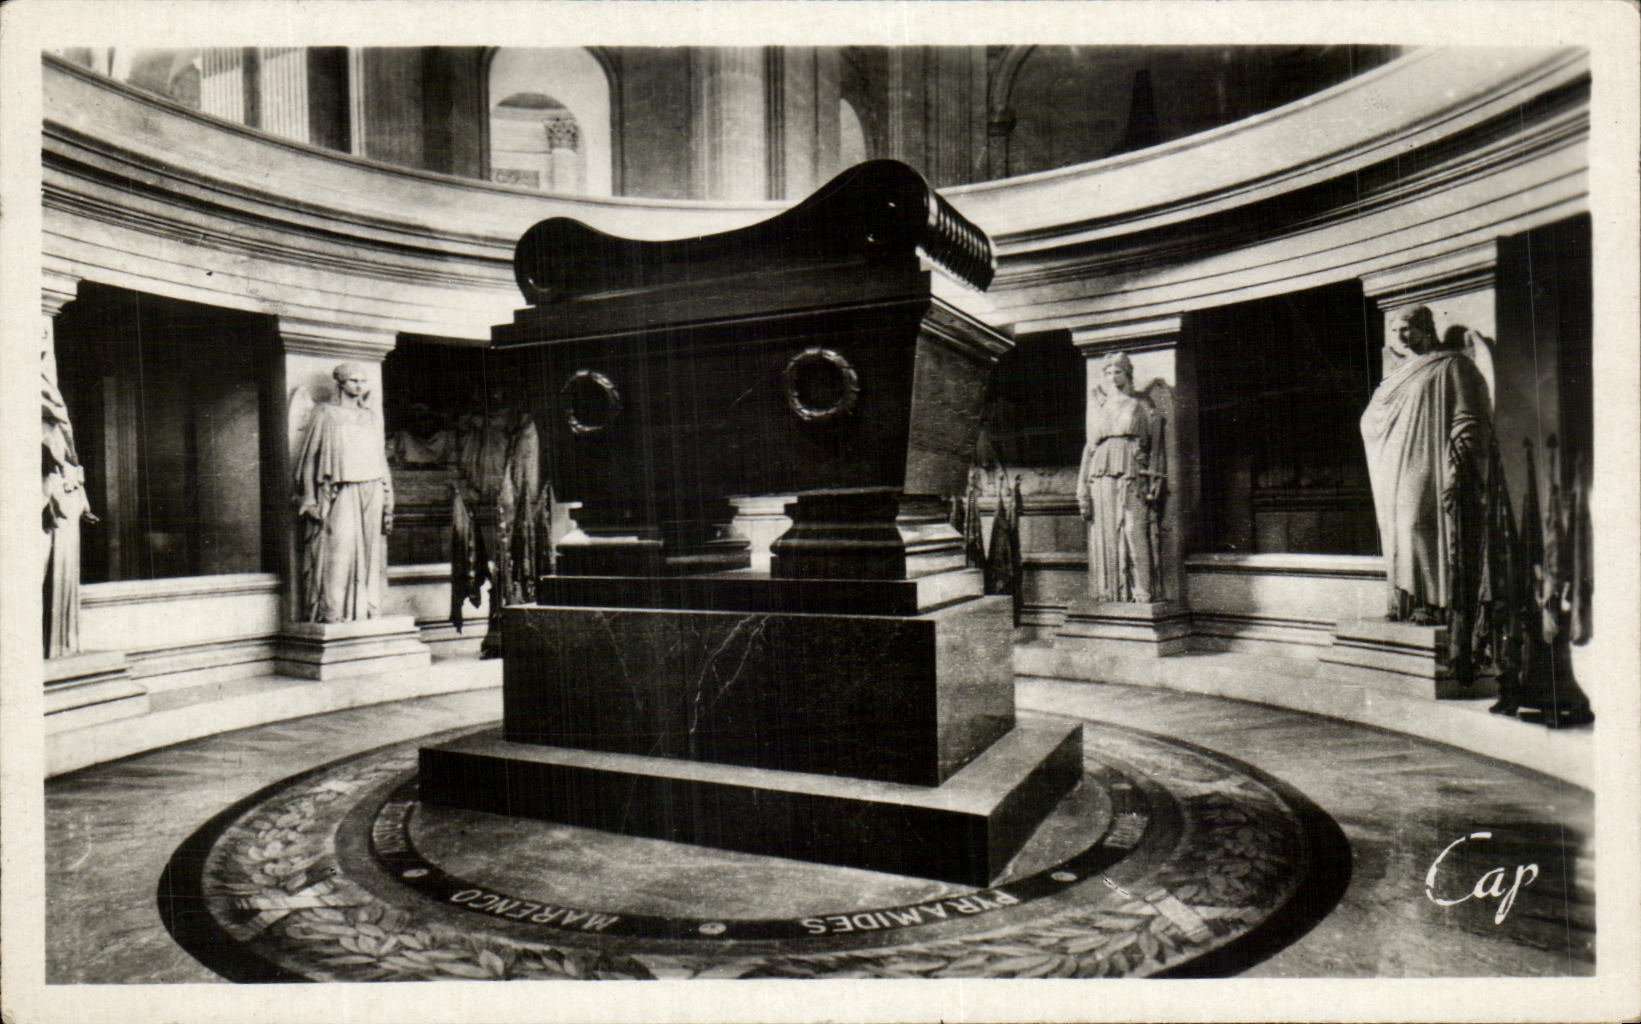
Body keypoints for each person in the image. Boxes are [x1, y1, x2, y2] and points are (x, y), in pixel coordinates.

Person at [1360, 308, 1513, 687]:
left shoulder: (1452, 365)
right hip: (1397, 460)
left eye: (1408, 328)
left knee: (1417, 523)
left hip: (1432, 457)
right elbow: (1372, 418)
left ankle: (1437, 602)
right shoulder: (1394, 377)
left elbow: (1469, 411)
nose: (1402, 336)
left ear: (1426, 329)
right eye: (1397, 330)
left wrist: (1462, 451)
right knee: (1401, 527)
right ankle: (1415, 602)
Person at [294, 363, 394, 623]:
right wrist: (309, 496)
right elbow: (309, 459)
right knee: (339, 549)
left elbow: (380, 457)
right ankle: (333, 610)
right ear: (340, 383)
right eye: (352, 380)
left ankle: (366, 609)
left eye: (362, 381)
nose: (358, 386)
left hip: (372, 486)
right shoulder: (325, 413)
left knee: (372, 553)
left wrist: (388, 492)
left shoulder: (371, 416)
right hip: (342, 489)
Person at [1076, 352, 1166, 603]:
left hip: (1131, 469)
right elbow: (1089, 448)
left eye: (1118, 372)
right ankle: (1111, 592)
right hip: (1101, 472)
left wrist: (1153, 478)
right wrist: (1081, 489)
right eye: (1108, 373)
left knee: (1133, 529)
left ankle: (1142, 590)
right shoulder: (1098, 407)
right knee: (1105, 532)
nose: (1113, 377)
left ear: (1128, 373)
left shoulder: (1140, 406)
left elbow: (1151, 446)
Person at [43, 343, 97, 657]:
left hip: (67, 514)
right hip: (53, 513)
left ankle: (63, 643)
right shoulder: (47, 440)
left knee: (64, 576)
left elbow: (74, 478)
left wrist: (85, 507)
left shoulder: (64, 451)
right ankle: (53, 644)